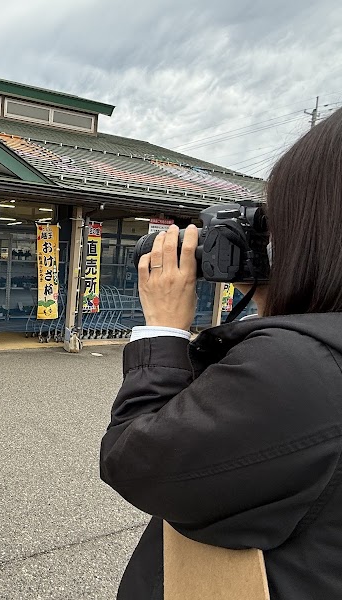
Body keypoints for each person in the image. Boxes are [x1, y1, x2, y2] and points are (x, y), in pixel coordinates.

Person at [100, 108, 342, 600]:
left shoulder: (300, 367)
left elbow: (136, 462)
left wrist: (162, 329)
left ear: (314, 234)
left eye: (275, 227)